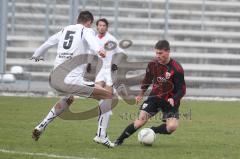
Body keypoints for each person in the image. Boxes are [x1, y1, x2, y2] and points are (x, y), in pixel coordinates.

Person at [30, 11, 114, 148]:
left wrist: (37, 54)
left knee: (69, 98)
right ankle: (101, 135)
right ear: (89, 23)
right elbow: (92, 40)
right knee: (109, 96)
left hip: (55, 78)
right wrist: (99, 49)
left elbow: (48, 42)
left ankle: (41, 126)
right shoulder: (86, 30)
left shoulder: (65, 30)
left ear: (77, 19)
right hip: (71, 80)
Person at [114, 40, 186, 146]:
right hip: (155, 97)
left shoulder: (177, 68)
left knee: (172, 127)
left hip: (170, 101)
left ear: (168, 52)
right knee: (140, 121)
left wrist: (174, 99)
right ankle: (119, 140)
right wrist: (141, 94)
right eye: (156, 53)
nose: (157, 56)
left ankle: (153, 130)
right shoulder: (152, 64)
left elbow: (182, 90)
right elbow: (147, 80)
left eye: (160, 53)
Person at [86, 18, 124, 147]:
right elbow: (91, 52)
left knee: (107, 95)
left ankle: (103, 121)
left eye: (104, 25)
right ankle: (104, 116)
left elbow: (121, 54)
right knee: (99, 93)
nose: (102, 27)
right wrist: (89, 64)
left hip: (110, 70)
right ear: (97, 27)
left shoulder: (111, 39)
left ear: (107, 27)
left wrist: (116, 64)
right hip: (100, 69)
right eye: (100, 25)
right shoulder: (94, 39)